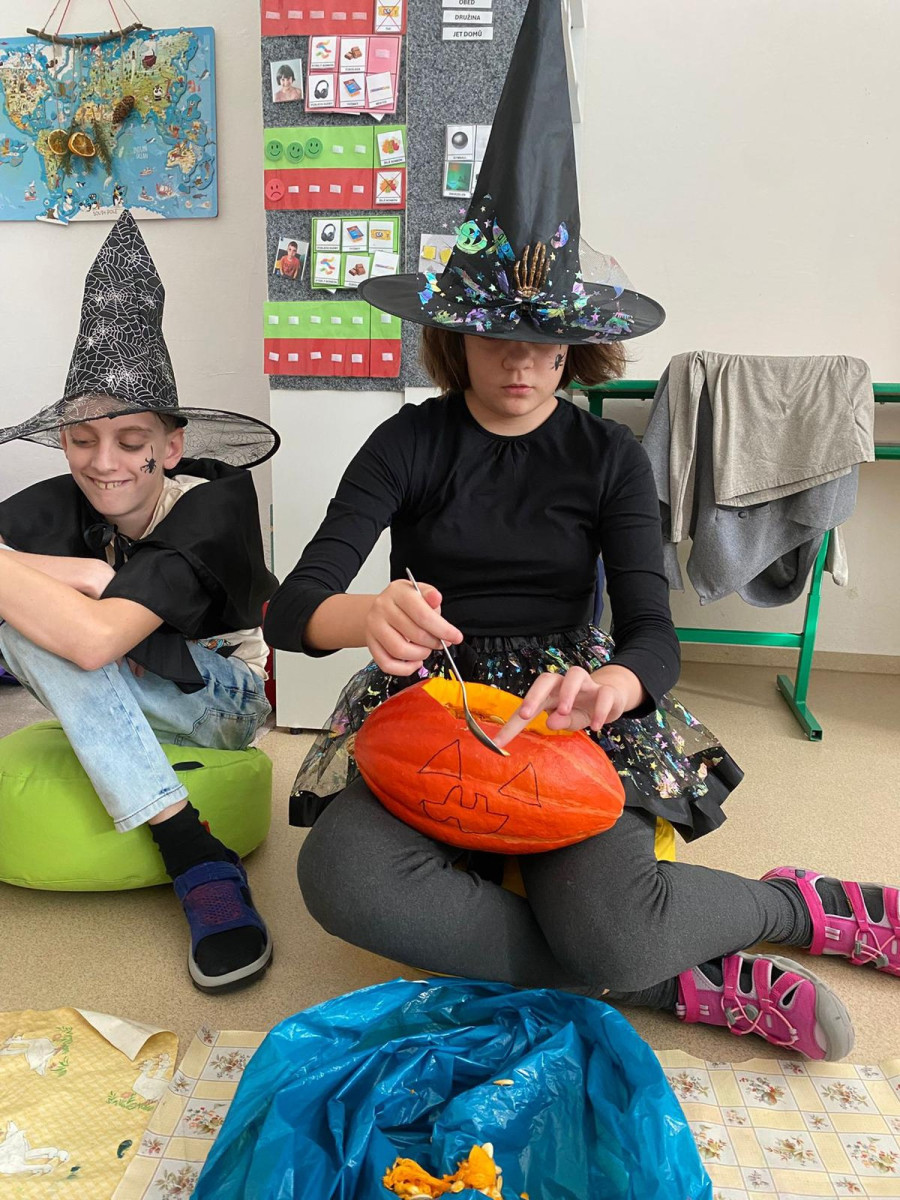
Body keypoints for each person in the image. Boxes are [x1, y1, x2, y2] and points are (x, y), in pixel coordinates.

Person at [264, 0, 898, 1060]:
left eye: (547, 339)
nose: (522, 361)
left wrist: (616, 686)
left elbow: (653, 633)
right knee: (342, 880)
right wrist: (364, 612)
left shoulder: (608, 457)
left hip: (564, 705)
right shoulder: (406, 443)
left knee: (607, 918)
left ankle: (793, 906)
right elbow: (291, 611)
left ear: (576, 347)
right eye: (498, 335)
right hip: (435, 704)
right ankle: (660, 980)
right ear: (455, 334)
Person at [0, 211, 281, 994]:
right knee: (26, 612)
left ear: (170, 446)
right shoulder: (54, 505)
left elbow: (95, 642)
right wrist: (71, 573)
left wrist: (60, 586)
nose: (105, 463)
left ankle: (190, 847)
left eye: (131, 441)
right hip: (127, 692)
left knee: (31, 626)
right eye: (82, 439)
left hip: (222, 699)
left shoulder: (213, 506)